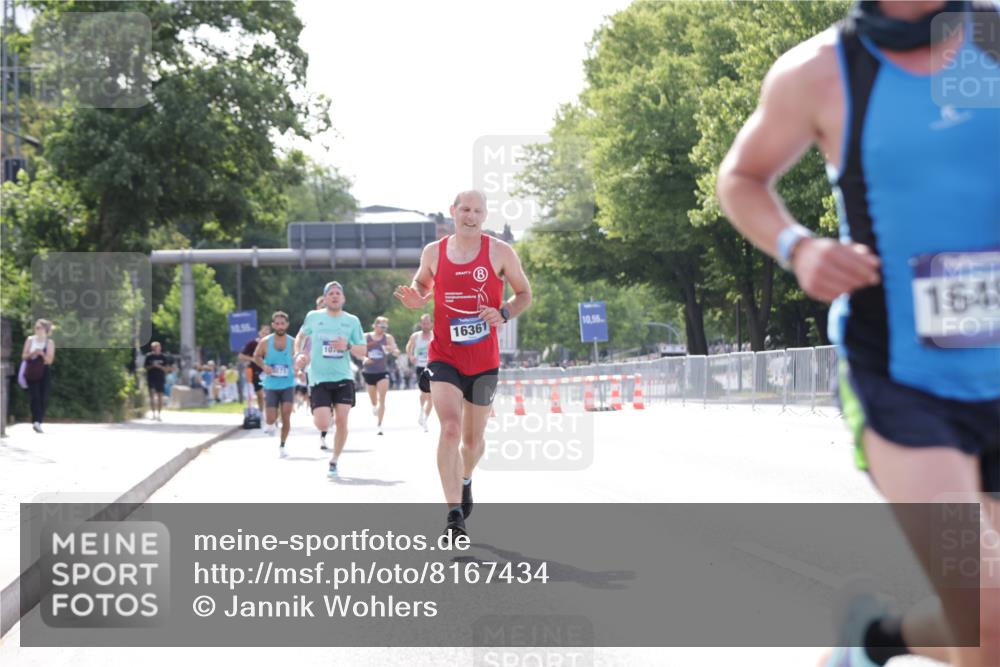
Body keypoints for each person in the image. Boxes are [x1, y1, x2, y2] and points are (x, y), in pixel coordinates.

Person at [716, 3, 999, 666]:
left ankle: (873, 641)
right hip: (905, 384)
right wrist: (797, 246)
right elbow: (740, 176)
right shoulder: (820, 72)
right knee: (986, 616)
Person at [394, 190, 532, 537]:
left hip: (484, 360)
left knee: (471, 443)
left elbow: (524, 294)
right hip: (445, 356)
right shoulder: (434, 252)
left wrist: (503, 312)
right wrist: (416, 298)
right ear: (453, 212)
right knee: (450, 429)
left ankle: (466, 477)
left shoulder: (500, 252)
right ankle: (454, 513)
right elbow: (421, 285)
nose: (470, 216)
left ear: (485, 215)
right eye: (465, 209)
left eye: (477, 211)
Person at [294, 281, 367, 477]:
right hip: (318, 377)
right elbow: (301, 336)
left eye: (338, 293)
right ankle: (327, 416)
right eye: (331, 293)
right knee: (323, 424)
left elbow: (363, 351)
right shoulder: (313, 317)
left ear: (343, 298)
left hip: (343, 377)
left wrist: (348, 346)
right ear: (325, 299)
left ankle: (334, 459)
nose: (335, 296)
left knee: (342, 421)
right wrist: (299, 354)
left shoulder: (352, 321)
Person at [253, 311, 296, 455]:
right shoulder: (265, 341)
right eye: (277, 324)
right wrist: (264, 366)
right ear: (273, 325)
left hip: (288, 384)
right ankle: (270, 423)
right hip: (271, 385)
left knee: (286, 415)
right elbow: (256, 356)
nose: (280, 326)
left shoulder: (293, 342)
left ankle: (282, 446)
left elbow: (299, 358)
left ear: (287, 325)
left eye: (282, 323)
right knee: (271, 418)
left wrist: (299, 368)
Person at [362, 316, 399, 436]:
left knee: (382, 399)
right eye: (381, 326)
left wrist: (392, 350)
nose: (383, 329)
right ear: (375, 325)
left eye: (385, 327)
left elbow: (396, 351)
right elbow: (360, 351)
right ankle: (374, 406)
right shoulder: (366, 336)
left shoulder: (387, 338)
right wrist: (365, 358)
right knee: (373, 400)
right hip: (368, 371)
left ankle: (379, 425)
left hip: (382, 371)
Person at [21, 319, 55, 433]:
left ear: (45, 329)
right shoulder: (30, 340)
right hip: (32, 370)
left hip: (44, 370)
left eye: (39, 327)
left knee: (43, 397)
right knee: (34, 397)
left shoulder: (49, 343)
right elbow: (24, 356)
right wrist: (32, 353)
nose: (36, 330)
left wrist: (42, 354)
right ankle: (36, 421)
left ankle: (39, 421)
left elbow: (49, 361)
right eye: (35, 327)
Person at [406, 313, 435, 431]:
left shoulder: (435, 335)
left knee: (432, 396)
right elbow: (409, 346)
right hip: (420, 366)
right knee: (424, 393)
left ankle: (425, 420)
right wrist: (411, 356)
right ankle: (421, 411)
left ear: (432, 323)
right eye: (423, 323)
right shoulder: (416, 336)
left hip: (433, 366)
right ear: (420, 324)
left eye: (427, 323)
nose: (425, 325)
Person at [238, 325, 271, 412]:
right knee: (260, 395)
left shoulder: (273, 343)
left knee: (270, 395)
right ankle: (261, 414)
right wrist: (252, 359)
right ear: (259, 333)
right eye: (264, 332)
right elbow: (241, 356)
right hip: (257, 372)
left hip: (270, 372)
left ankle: (271, 416)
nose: (265, 335)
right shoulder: (253, 343)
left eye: (267, 333)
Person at [142, 341, 173, 421]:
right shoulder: (149, 356)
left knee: (160, 397)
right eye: (155, 348)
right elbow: (145, 367)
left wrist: (159, 366)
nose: (157, 349)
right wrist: (152, 366)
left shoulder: (163, 357)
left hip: (160, 378)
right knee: (152, 396)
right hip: (151, 378)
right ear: (153, 348)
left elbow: (167, 369)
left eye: (158, 347)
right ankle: (153, 414)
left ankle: (159, 415)